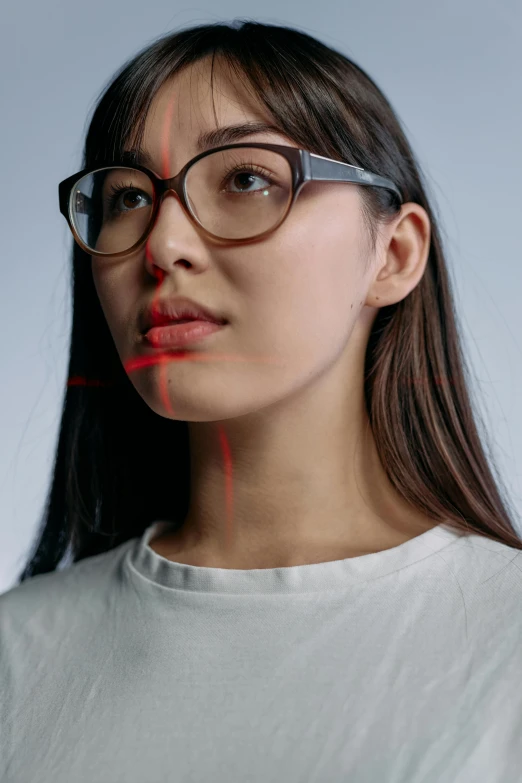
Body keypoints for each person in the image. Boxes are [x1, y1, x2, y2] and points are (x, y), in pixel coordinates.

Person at [2, 20, 521, 783]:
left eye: (247, 179)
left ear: (395, 253)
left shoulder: (505, 636)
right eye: (127, 197)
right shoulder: (16, 656)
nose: (162, 243)